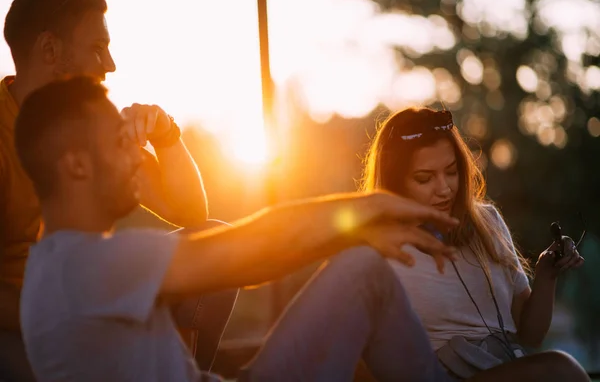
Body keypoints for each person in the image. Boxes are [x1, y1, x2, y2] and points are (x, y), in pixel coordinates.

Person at [15, 76, 464, 381]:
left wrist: (351, 233)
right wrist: (366, 210)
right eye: (119, 143)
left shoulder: (65, 265)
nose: (136, 156)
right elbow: (250, 248)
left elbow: (255, 257)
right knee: (366, 272)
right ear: (75, 165)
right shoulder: (82, 267)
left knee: (363, 266)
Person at [0, 0, 223, 379]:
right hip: (29, 327)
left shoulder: (94, 126)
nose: (111, 65)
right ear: (50, 50)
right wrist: (74, 312)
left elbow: (191, 214)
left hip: (101, 295)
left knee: (214, 240)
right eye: (98, 48)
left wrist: (166, 136)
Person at [360, 107, 589, 381]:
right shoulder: (377, 247)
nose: (444, 188)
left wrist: (546, 274)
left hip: (504, 366)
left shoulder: (488, 222)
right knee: (560, 369)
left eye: (451, 172)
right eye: (425, 178)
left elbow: (531, 335)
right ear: (394, 184)